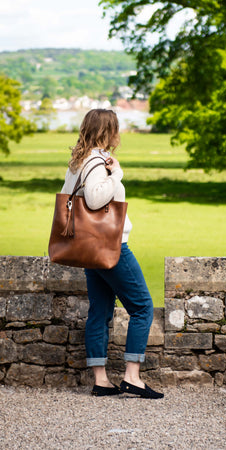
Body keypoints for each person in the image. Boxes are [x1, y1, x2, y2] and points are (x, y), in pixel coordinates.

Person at [61, 109, 164, 399]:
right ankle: (132, 377)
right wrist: (117, 174)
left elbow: (69, 199)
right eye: (116, 129)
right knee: (143, 306)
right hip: (110, 246)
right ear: (108, 132)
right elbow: (94, 199)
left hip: (87, 247)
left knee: (100, 311)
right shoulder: (97, 162)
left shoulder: (78, 162)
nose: (119, 135)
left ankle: (101, 380)